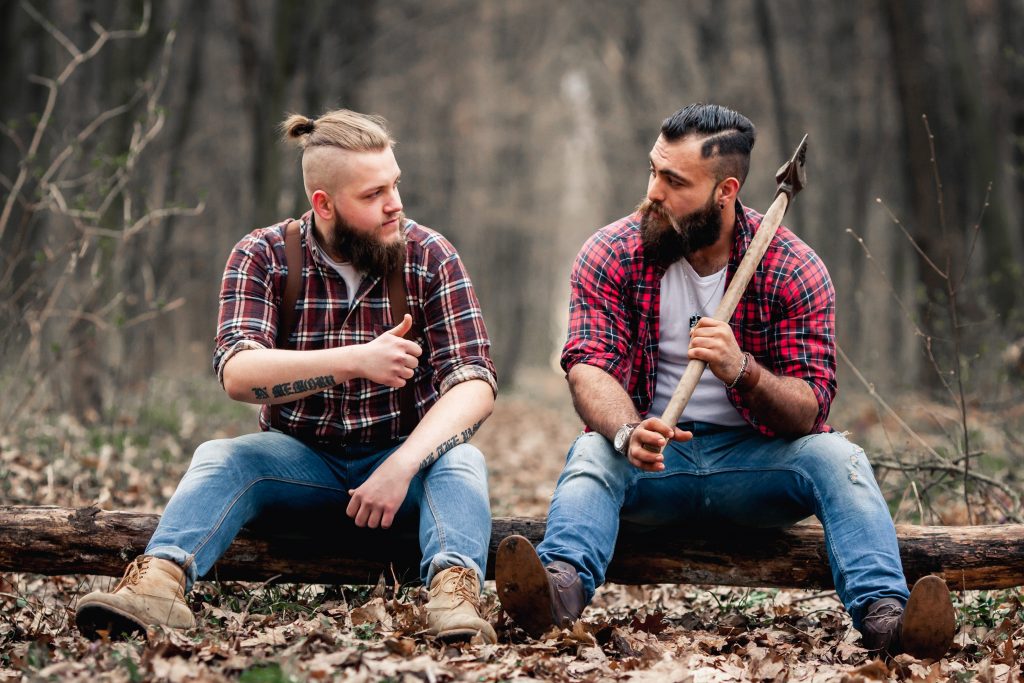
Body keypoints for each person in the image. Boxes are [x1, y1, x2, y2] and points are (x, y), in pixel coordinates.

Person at [495, 103, 955, 661]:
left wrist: (743, 370)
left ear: (725, 190)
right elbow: (588, 364)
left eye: (674, 181)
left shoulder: (792, 267)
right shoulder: (612, 253)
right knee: (593, 453)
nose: (653, 193)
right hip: (655, 462)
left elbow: (809, 410)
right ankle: (555, 593)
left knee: (839, 459)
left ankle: (888, 621)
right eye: (653, 171)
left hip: (756, 468)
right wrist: (626, 431)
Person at [75, 109, 498, 643]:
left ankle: (453, 601)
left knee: (462, 461)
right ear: (323, 203)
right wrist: (354, 360)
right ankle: (156, 587)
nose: (395, 204)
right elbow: (238, 373)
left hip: (402, 464)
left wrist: (404, 464)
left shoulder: (429, 256)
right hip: (300, 465)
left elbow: (475, 381)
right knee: (222, 456)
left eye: (394, 184)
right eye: (372, 195)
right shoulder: (265, 255)